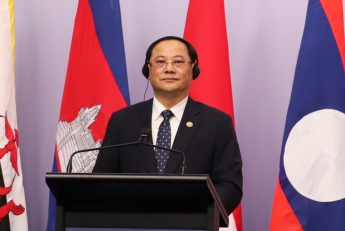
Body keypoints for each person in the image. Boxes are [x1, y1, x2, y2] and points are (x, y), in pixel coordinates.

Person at [94, 36, 243, 214]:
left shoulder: (216, 123)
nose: (169, 69)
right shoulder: (123, 121)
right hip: (131, 226)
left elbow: (229, 184)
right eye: (161, 62)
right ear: (148, 71)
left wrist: (198, 218)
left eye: (178, 62)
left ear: (193, 70)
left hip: (192, 226)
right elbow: (101, 180)